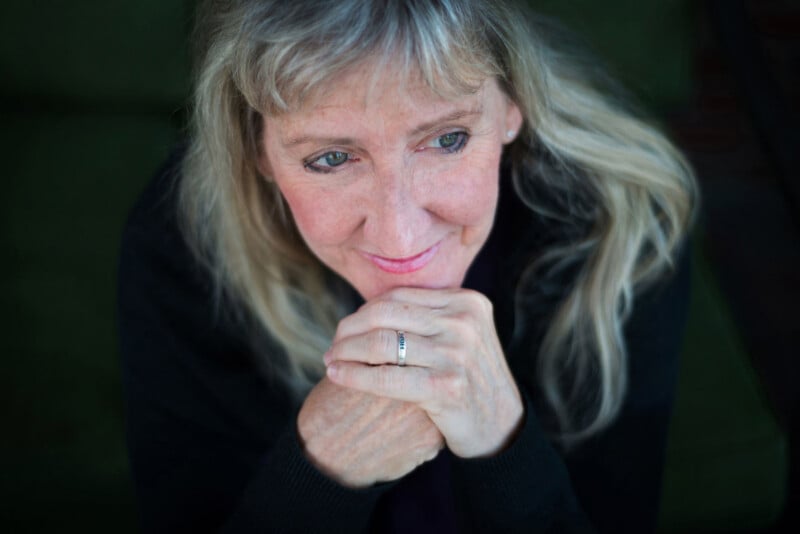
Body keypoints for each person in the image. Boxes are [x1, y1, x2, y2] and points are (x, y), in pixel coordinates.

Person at [118, 0, 697, 532]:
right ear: (257, 151)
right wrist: (320, 470)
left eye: (447, 140)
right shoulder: (183, 242)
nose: (400, 237)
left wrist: (503, 444)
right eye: (332, 158)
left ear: (513, 105)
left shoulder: (623, 224)